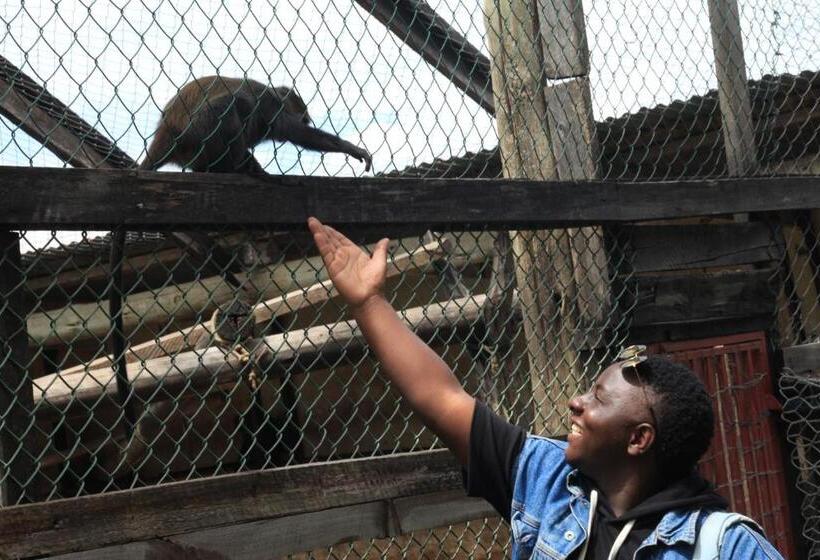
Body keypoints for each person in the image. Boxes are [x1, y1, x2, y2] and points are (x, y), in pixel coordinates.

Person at [307, 217, 785, 560]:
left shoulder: (724, 545)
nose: (575, 402)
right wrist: (370, 302)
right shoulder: (547, 480)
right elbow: (441, 396)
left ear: (639, 438)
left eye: (597, 398)